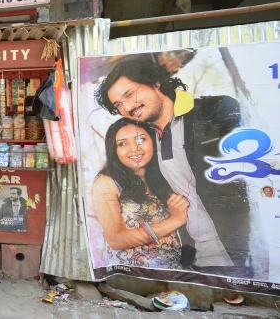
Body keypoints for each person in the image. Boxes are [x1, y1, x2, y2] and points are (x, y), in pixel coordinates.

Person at [96, 57, 250, 276]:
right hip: (194, 257)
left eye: (129, 94)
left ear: (155, 83)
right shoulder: (149, 139)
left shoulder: (213, 112)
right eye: (118, 105)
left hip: (239, 254)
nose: (127, 107)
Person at [91, 118, 188, 269]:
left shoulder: (164, 177)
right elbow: (116, 240)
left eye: (140, 139)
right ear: (113, 150)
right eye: (122, 143)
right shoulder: (106, 183)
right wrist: (174, 221)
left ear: (153, 142)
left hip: (173, 272)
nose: (134, 148)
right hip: (133, 278)